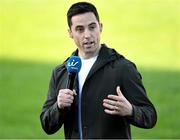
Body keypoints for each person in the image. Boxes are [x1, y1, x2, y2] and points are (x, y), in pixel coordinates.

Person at [40, 1, 157, 139]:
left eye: (92, 27)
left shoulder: (123, 68)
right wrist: (58, 107)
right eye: (79, 29)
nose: (87, 35)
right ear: (70, 33)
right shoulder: (61, 72)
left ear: (100, 27)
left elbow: (150, 116)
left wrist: (131, 111)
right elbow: (47, 125)